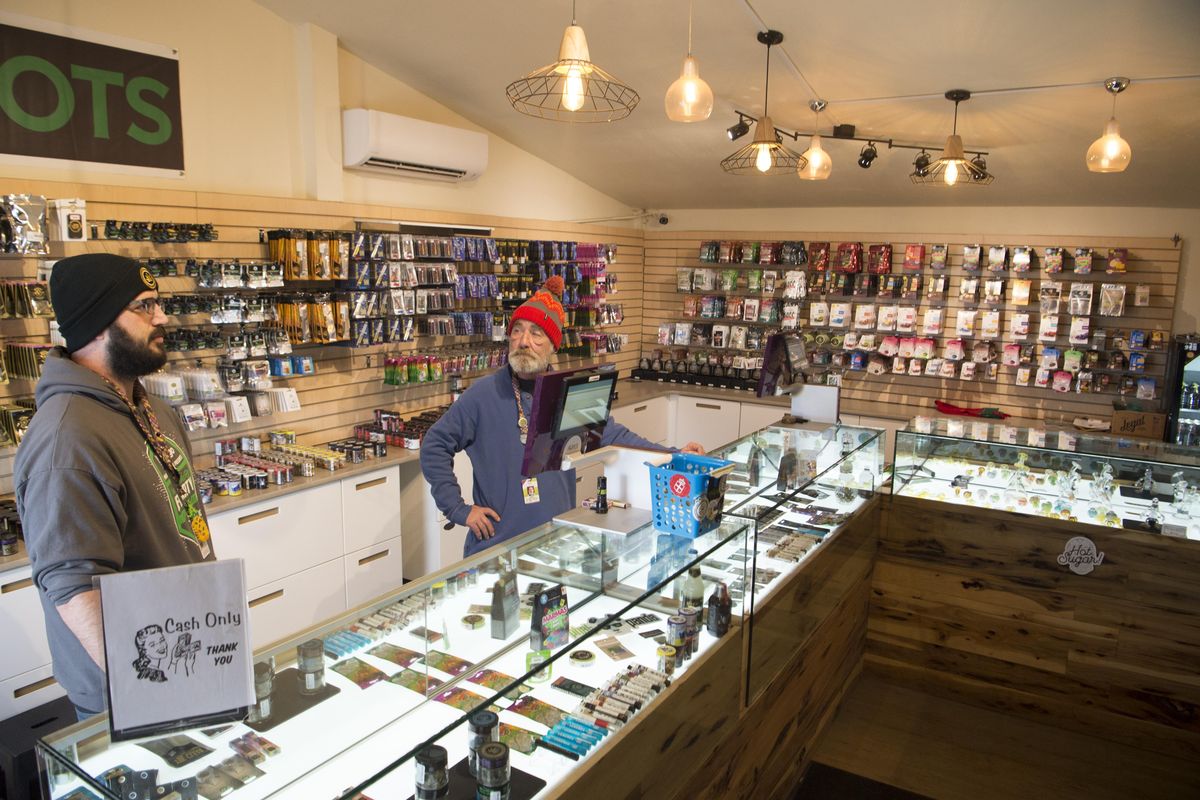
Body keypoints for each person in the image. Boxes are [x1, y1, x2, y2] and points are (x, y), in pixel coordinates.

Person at [14, 253, 215, 719]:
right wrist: (150, 684)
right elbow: (73, 585)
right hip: (136, 690)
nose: (162, 318)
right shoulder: (68, 439)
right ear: (98, 324)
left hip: (190, 656)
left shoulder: (152, 410)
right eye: (144, 306)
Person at [421, 275, 704, 557]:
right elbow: (434, 445)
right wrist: (459, 509)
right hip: (497, 550)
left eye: (535, 333)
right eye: (517, 331)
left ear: (553, 344)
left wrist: (674, 454)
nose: (523, 341)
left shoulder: (571, 391)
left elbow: (616, 436)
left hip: (557, 542)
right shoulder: (483, 395)